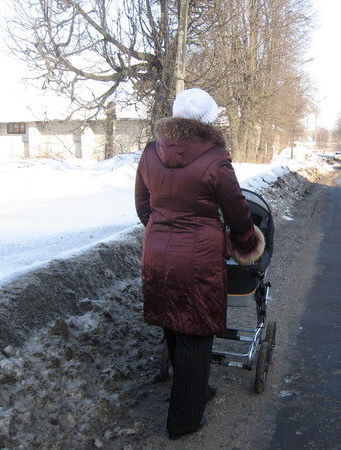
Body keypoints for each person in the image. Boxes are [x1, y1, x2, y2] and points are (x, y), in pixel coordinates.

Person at [134, 88, 265, 440]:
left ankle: (194, 390)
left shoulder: (150, 152)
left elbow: (143, 208)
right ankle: (184, 421)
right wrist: (247, 244)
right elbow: (238, 212)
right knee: (196, 331)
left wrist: (164, 233)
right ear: (207, 120)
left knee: (172, 321)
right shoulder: (215, 158)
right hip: (199, 258)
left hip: (157, 253)